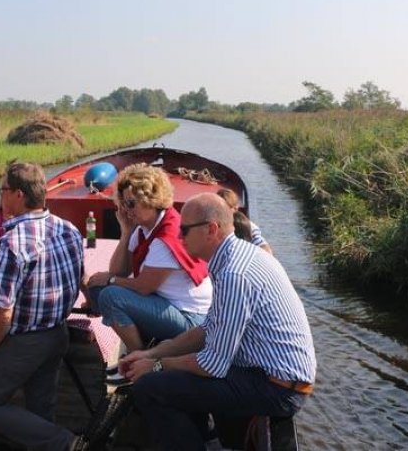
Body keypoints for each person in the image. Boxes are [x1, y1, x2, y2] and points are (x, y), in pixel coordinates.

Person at [119, 193, 316, 451]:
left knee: (149, 389)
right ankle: (205, 438)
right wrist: (152, 352)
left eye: (185, 230)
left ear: (211, 230)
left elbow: (212, 365)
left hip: (277, 389)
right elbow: (206, 329)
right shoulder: (234, 257)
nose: (179, 237)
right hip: (267, 376)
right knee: (176, 373)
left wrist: (155, 366)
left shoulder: (234, 274)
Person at [0, 162, 84, 451]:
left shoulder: (11, 243)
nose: (0, 196)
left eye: (3, 190)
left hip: (24, 341)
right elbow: (79, 278)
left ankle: (65, 442)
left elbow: (1, 311)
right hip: (58, 334)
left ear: (18, 194)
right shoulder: (68, 228)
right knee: (40, 409)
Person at [86, 163, 212, 358]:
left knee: (110, 296)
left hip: (193, 320)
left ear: (151, 199)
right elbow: (119, 271)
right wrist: (126, 233)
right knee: (98, 288)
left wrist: (110, 281)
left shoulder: (165, 236)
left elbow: (143, 287)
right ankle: (144, 344)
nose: (126, 210)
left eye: (131, 203)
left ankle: (138, 358)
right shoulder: (146, 227)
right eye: (123, 203)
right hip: (169, 304)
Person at [217, 187, 273, 253]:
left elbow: (265, 249)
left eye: (226, 209)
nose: (222, 213)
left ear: (235, 208)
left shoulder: (248, 226)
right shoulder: (213, 221)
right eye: (219, 209)